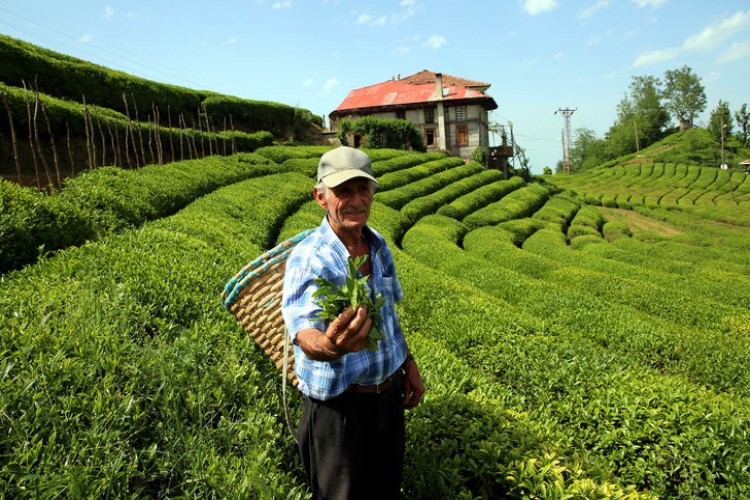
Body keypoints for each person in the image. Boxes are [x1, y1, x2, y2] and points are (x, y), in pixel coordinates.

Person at [281, 145, 425, 499]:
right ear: (321, 197)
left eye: (363, 189)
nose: (356, 200)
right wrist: (331, 346)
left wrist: (408, 362)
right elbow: (303, 332)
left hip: (386, 399)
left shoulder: (377, 245)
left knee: (385, 489)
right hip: (338, 410)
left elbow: (389, 315)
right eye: (343, 191)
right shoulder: (310, 257)